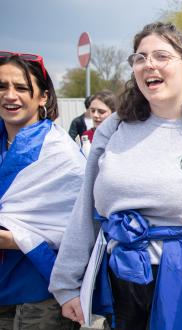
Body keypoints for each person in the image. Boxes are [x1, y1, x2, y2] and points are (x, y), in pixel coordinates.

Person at [49, 22, 182, 329]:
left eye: (160, 56)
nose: (148, 64)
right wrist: (66, 283)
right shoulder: (113, 128)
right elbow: (84, 210)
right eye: (140, 58)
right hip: (121, 278)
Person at [0, 51, 85, 330]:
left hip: (42, 288)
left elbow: (80, 228)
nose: (10, 96)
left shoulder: (62, 155)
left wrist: (17, 239)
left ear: (43, 97)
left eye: (21, 88)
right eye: (2, 86)